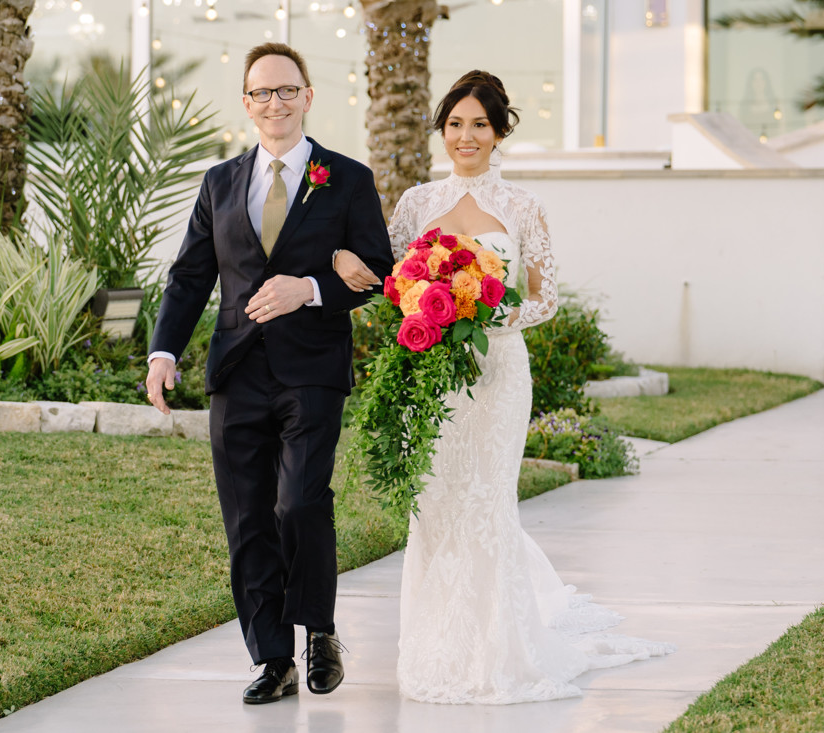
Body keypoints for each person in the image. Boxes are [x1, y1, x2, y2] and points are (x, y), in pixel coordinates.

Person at [334, 70, 674, 704]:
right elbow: (393, 282)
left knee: (487, 505)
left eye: (479, 125)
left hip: (498, 373)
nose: (466, 136)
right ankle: (437, 652)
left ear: (499, 132)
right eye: (456, 123)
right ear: (442, 129)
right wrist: (374, 281)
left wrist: (493, 315)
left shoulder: (522, 207)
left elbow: (546, 297)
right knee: (434, 507)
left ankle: (498, 654)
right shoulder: (414, 204)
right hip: (432, 376)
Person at [145, 42, 394, 706]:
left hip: (311, 370)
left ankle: (319, 631)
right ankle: (272, 656)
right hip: (236, 371)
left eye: (287, 91)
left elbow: (378, 273)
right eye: (261, 93)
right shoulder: (220, 182)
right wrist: (163, 352)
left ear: (308, 97)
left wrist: (310, 287)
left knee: (301, 501)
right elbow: (190, 276)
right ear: (247, 104)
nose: (275, 103)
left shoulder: (348, 179)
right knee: (249, 517)